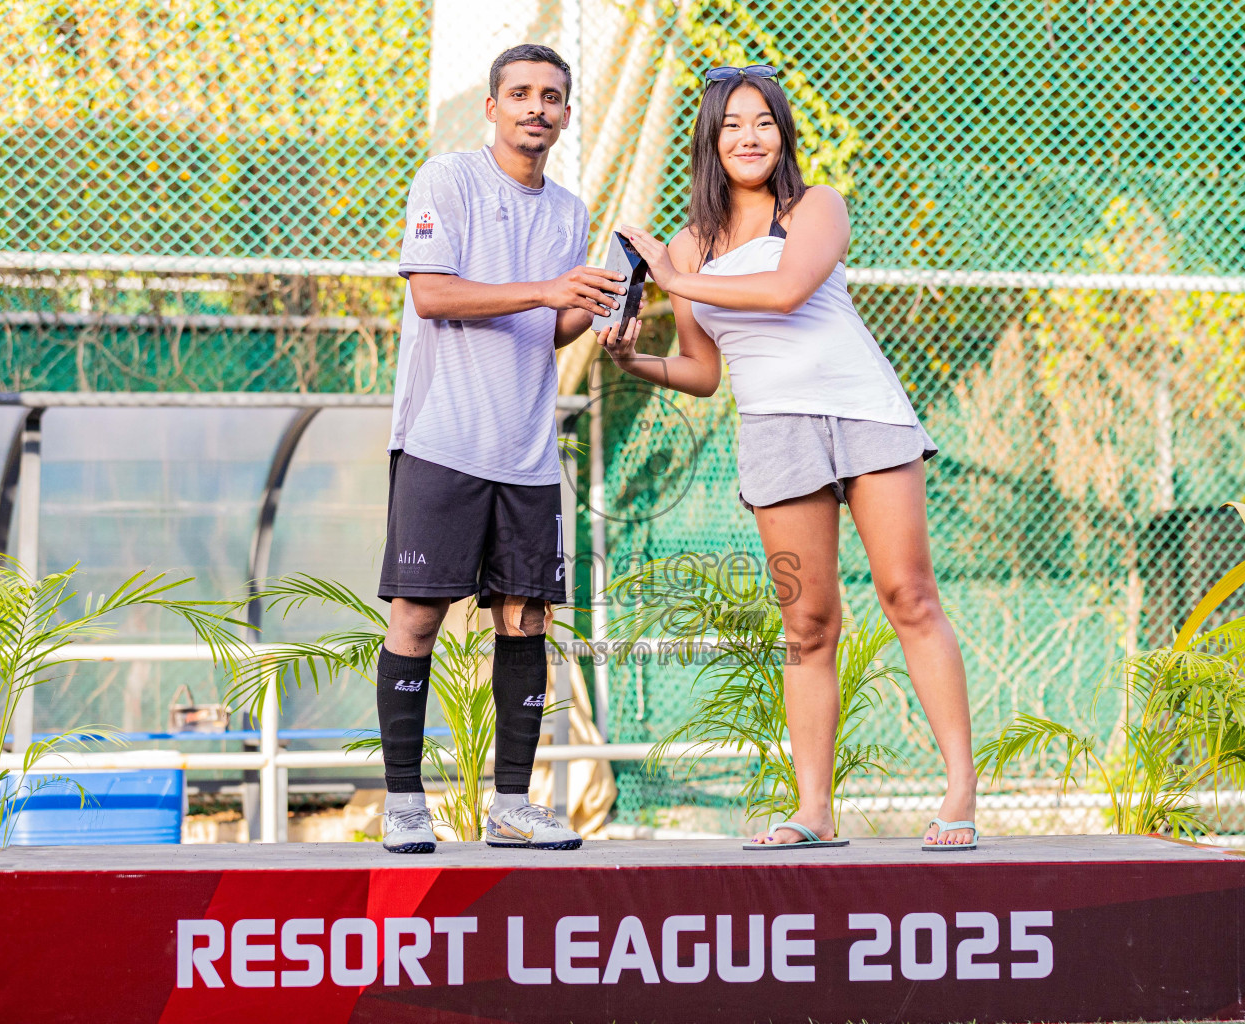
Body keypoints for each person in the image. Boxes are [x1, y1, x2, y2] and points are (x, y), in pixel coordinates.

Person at [597, 65, 979, 850]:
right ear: (709, 136)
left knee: (908, 593)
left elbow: (787, 291)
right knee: (806, 623)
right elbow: (703, 374)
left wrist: (675, 280)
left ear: (782, 134)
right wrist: (635, 360)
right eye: (733, 123)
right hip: (775, 431)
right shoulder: (689, 246)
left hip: (863, 414)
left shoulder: (816, 209)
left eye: (763, 122)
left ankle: (960, 793)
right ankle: (813, 810)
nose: (748, 136)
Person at [376, 44, 627, 853]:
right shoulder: (447, 180)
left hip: (526, 454)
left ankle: (513, 807)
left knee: (526, 622)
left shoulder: (569, 211)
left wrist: (599, 299)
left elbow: (546, 329)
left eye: (552, 97)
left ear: (564, 113)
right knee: (417, 618)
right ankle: (404, 803)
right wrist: (549, 288)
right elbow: (433, 291)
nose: (536, 108)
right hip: (444, 440)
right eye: (520, 94)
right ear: (492, 106)